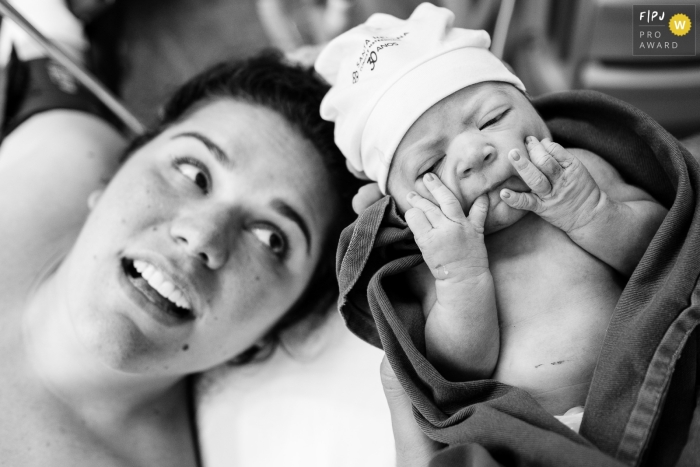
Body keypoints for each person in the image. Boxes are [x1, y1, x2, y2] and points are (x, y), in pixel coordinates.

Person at [0, 3, 362, 465]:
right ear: (109, 179)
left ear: (268, 333)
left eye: (272, 239)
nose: (202, 236)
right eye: (194, 173)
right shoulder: (69, 151)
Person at [316, 2, 667, 431]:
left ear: (529, 102)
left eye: (492, 118)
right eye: (430, 167)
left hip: (658, 377)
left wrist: (592, 213)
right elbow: (459, 370)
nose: (472, 154)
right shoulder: (433, 256)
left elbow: (662, 248)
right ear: (401, 204)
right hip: (548, 432)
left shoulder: (578, 171)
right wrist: (461, 278)